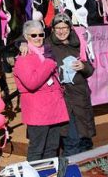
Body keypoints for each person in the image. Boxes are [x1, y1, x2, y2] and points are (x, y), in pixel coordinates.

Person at [19, 13, 96, 156]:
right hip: (63, 99)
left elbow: (90, 68)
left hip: (81, 97)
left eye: (65, 27)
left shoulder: (79, 43)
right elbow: (31, 36)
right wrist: (23, 42)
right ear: (53, 29)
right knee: (71, 139)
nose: (62, 31)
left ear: (70, 28)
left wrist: (83, 67)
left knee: (84, 139)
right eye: (58, 28)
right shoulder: (47, 45)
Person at [13, 19, 69, 161]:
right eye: (33, 35)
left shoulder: (48, 51)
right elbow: (32, 83)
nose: (38, 38)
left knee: (52, 148)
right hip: (38, 111)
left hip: (54, 109)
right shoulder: (23, 59)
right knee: (37, 150)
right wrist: (49, 64)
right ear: (26, 37)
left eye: (41, 34)